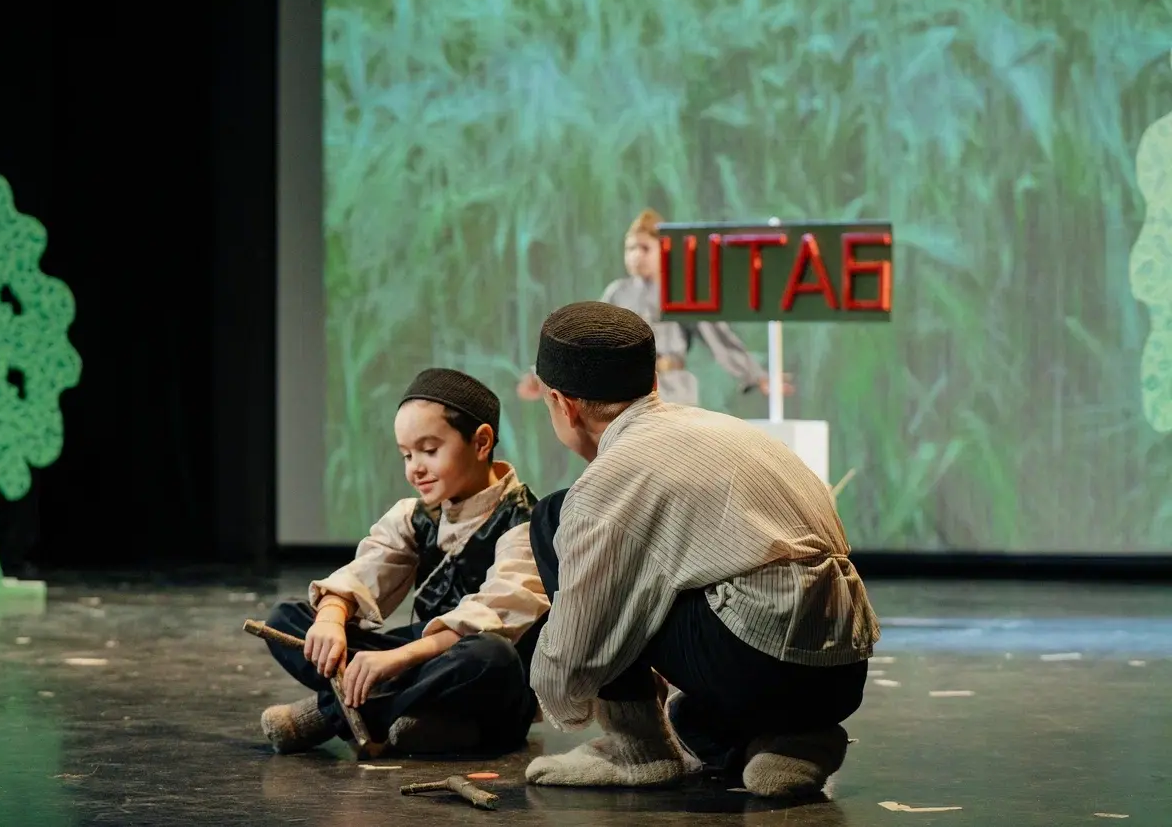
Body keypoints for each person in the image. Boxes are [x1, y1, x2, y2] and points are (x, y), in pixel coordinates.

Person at [522, 301, 879, 797]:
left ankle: (637, 751)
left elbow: (581, 639)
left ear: (562, 403)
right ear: (653, 382)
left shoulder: (611, 479)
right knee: (691, 719)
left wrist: (555, 695)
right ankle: (796, 739)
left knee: (553, 517)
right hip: (842, 677)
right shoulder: (725, 429)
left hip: (757, 668)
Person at [258, 368, 549, 757]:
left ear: (481, 442)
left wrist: (396, 660)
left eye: (429, 450)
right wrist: (330, 618)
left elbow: (496, 616)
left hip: (485, 681)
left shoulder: (526, 522)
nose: (415, 468)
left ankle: (328, 714)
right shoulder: (416, 515)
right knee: (286, 620)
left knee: (490, 655)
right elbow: (367, 570)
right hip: (423, 662)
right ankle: (413, 717)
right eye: (407, 455)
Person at [518, 208, 792, 406]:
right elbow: (588, 341)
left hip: (673, 388)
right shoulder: (618, 292)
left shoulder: (680, 290)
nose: (636, 256)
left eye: (644, 248)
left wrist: (757, 376)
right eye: (630, 248)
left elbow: (718, 337)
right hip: (628, 390)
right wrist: (544, 375)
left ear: (663, 249)